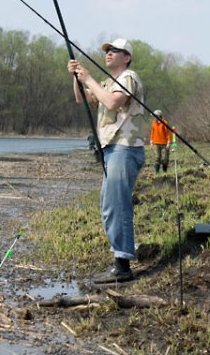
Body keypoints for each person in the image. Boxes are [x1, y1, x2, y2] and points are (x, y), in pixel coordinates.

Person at [67, 38, 146, 283]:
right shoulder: (107, 82)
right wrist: (77, 77)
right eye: (107, 51)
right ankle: (119, 260)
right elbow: (84, 98)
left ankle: (122, 266)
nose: (109, 53)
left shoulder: (128, 78)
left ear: (127, 57)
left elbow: (113, 101)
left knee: (116, 205)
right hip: (112, 149)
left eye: (115, 51)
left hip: (125, 148)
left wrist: (88, 78)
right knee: (108, 203)